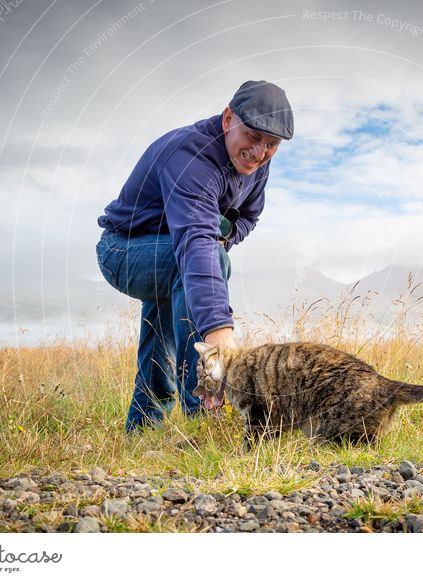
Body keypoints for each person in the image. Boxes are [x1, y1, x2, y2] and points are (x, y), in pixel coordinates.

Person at [95, 80, 293, 433]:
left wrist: (226, 233)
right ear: (228, 118)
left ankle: (142, 430)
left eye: (271, 145)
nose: (259, 152)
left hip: (169, 251)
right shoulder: (190, 156)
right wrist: (219, 338)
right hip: (122, 250)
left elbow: (247, 217)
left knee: (167, 317)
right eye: (252, 136)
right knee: (207, 261)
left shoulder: (256, 165)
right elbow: (197, 241)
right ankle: (200, 420)